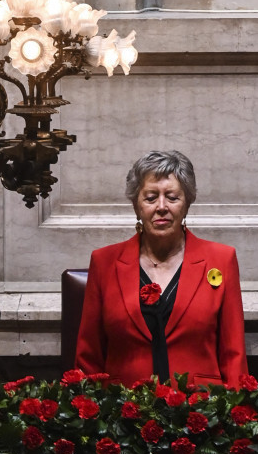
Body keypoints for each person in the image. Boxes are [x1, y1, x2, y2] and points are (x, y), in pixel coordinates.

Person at [76, 148, 246, 385]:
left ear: (187, 204)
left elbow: (233, 354)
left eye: (173, 197)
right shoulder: (104, 262)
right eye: (151, 197)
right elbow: (89, 356)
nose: (162, 206)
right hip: (123, 411)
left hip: (201, 412)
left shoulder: (222, 260)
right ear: (136, 206)